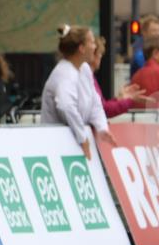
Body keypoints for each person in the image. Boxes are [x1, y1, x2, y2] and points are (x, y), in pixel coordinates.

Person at [41, 25, 117, 159]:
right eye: (92, 42)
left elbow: (95, 103)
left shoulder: (85, 69)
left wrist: (102, 128)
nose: (95, 46)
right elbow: (66, 105)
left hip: (71, 144)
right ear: (81, 48)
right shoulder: (64, 73)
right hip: (55, 146)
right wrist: (83, 137)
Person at [89, 35, 147, 119]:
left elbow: (102, 107)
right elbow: (104, 110)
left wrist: (119, 99)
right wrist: (129, 100)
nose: (100, 58)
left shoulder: (90, 77)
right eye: (100, 54)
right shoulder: (88, 78)